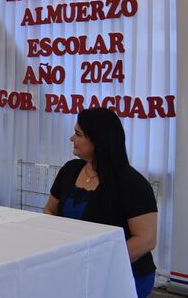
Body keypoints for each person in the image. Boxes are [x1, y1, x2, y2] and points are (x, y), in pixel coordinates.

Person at [43, 108, 157, 298]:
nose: (71, 138)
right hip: (74, 268)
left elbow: (146, 240)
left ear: (98, 140)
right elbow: (49, 211)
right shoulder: (70, 170)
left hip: (124, 275)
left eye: (78, 134)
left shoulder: (132, 183)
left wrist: (99, 263)